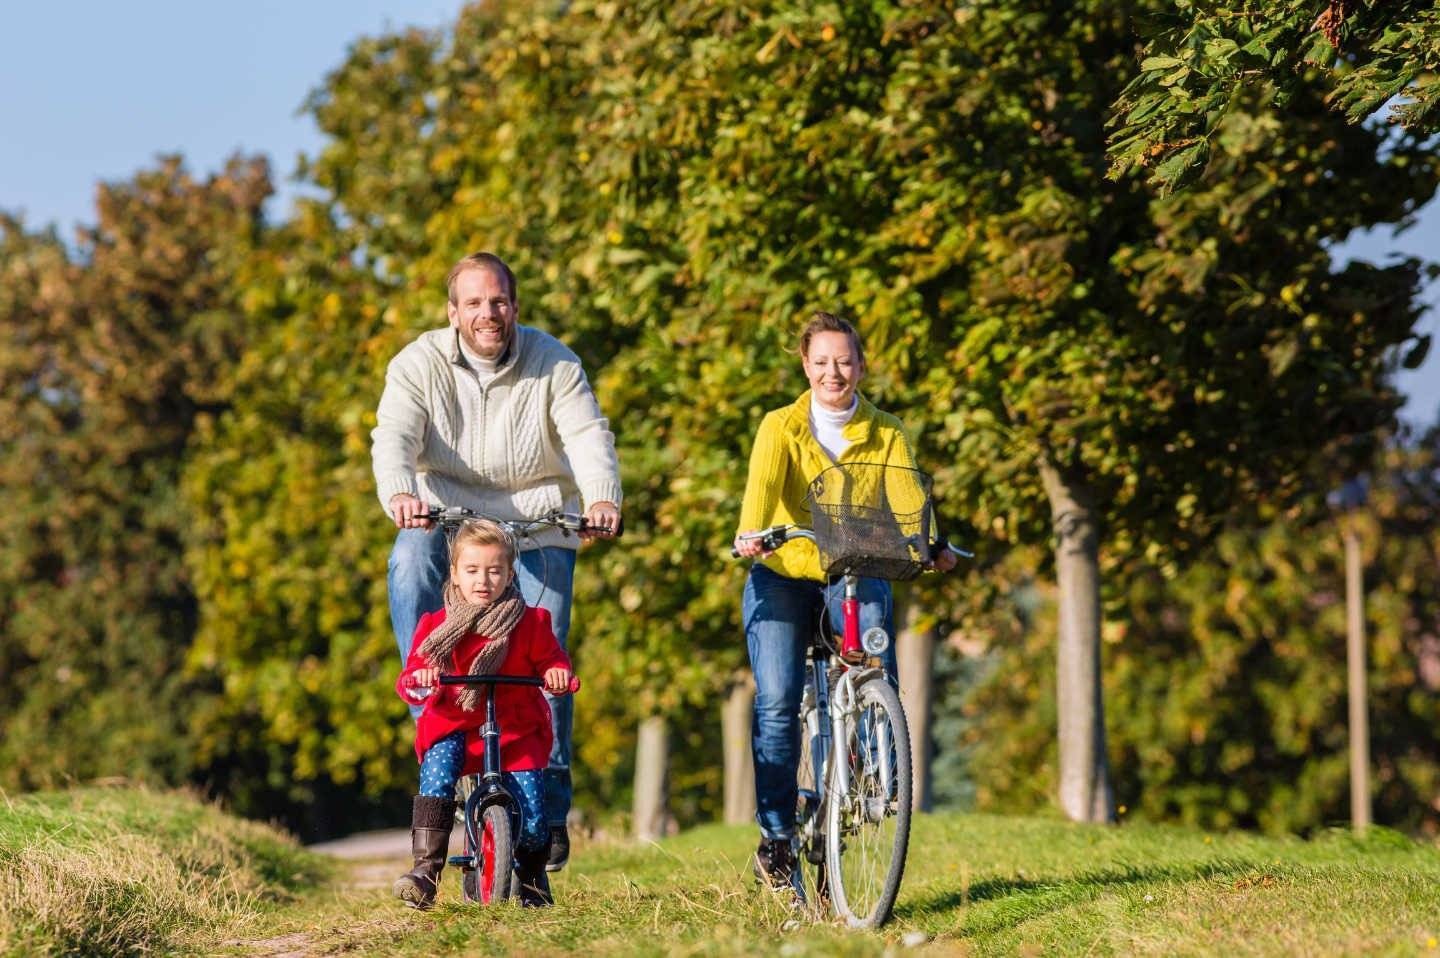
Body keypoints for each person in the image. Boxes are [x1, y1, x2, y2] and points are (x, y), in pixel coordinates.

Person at [372, 251, 621, 871]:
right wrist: (401, 491)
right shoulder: (419, 363)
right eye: (475, 303)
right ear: (453, 312)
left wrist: (601, 498)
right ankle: (436, 715)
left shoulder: (554, 361)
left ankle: (551, 804)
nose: (489, 313)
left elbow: (588, 434)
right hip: (447, 516)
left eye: (499, 301)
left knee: (548, 649)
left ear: (515, 306)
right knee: (407, 562)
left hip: (538, 519)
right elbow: (395, 435)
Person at [733, 311, 957, 891]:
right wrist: (753, 532)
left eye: (845, 361)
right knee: (779, 704)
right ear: (805, 365)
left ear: (860, 366)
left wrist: (929, 543)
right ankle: (777, 835)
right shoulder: (780, 426)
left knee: (873, 658)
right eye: (822, 361)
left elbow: (908, 502)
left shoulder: (886, 430)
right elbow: (759, 496)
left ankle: (870, 768)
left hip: (855, 568)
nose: (834, 372)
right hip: (784, 570)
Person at [393, 519, 573, 909]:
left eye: (494, 570)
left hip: (515, 729)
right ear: (454, 574)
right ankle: (426, 872)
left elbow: (552, 659)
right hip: (454, 724)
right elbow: (412, 676)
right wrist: (422, 676)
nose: (483, 580)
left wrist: (557, 673)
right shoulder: (436, 625)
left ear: (510, 574)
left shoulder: (530, 622)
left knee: (535, 809)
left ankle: (531, 878)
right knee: (437, 775)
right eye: (472, 570)